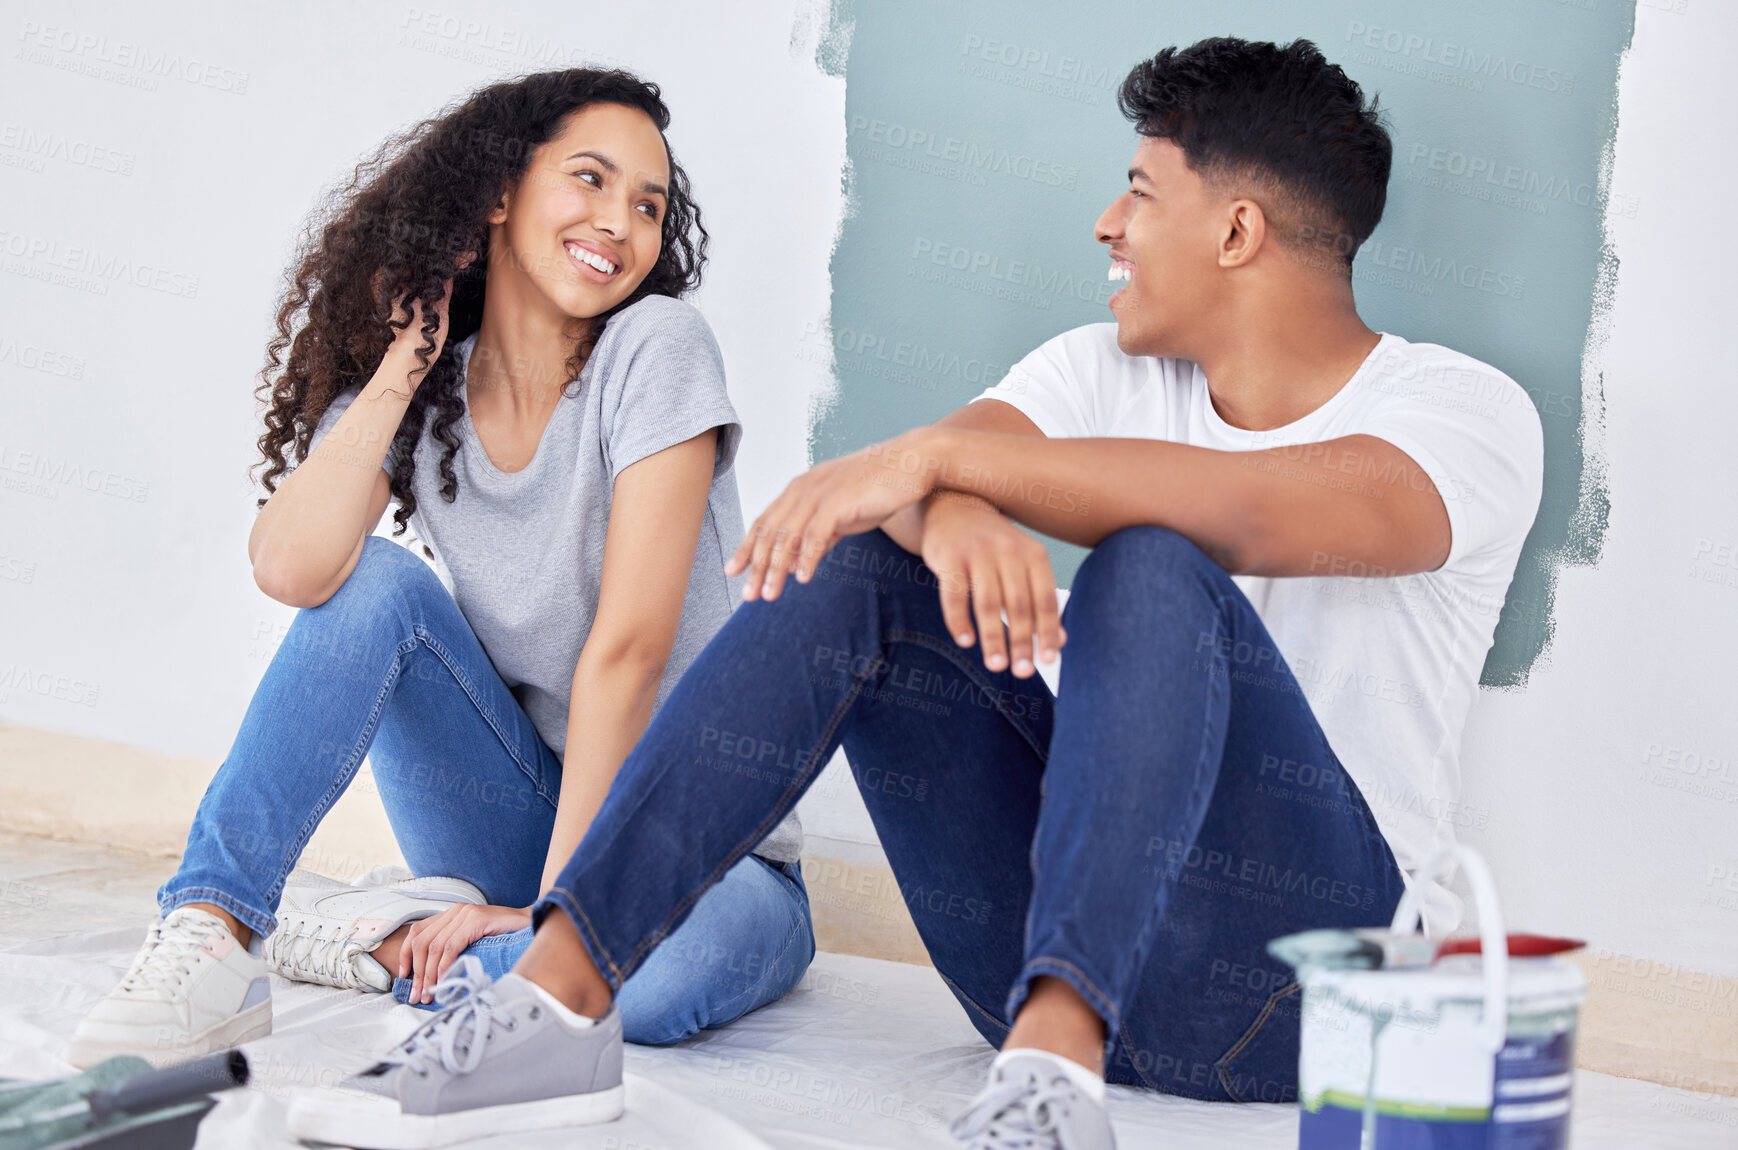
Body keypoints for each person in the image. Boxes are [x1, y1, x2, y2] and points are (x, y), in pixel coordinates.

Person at [288, 36, 1544, 1150]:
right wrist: (945, 504)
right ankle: (550, 1004)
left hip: (1299, 991)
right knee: (863, 565)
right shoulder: (1093, 371)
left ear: (1234, 231)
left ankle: (1060, 1075)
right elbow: (897, 492)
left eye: (1141, 193)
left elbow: (1261, 510)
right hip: (1031, 930)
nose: (1107, 225)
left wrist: (946, 469)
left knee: (1153, 562)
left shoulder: (1462, 413)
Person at [68, 68, 812, 1071]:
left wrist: (562, 918)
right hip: (517, 808)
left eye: (648, 204)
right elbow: (292, 568)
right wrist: (407, 359)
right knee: (373, 584)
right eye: (588, 180)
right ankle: (217, 929)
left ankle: (383, 943)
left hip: (712, 853)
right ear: (499, 193)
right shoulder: (431, 383)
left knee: (656, 985)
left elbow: (627, 654)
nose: (620, 222)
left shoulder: (658, 347)